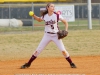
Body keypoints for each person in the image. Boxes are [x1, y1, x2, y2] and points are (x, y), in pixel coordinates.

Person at [20, 3, 76, 69]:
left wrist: (66, 30)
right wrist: (33, 15)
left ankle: (71, 63)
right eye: (52, 6)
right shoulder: (45, 16)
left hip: (56, 35)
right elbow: (39, 20)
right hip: (47, 35)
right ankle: (28, 64)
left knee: (63, 50)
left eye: (54, 6)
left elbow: (65, 22)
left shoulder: (57, 15)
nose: (53, 7)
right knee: (38, 50)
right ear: (48, 8)